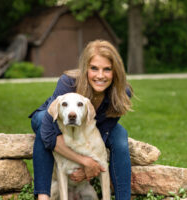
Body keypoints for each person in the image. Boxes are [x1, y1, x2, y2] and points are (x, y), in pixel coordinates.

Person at [30, 39, 133, 200]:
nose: (100, 75)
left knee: (120, 137)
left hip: (94, 125)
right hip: (56, 120)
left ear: (116, 72)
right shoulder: (68, 82)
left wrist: (91, 168)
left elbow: (103, 134)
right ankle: (43, 196)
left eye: (107, 69)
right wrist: (84, 162)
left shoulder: (121, 93)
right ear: (86, 68)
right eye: (94, 68)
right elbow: (49, 134)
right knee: (42, 122)